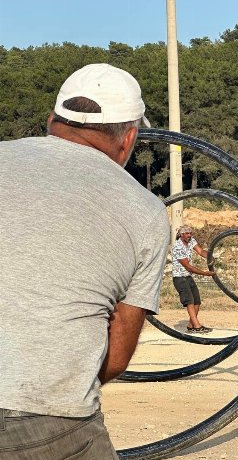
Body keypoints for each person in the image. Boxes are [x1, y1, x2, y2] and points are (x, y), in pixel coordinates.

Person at [0, 63, 170, 459]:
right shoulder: (144, 211)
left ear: (51, 121)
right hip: (47, 416)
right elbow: (116, 356)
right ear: (129, 139)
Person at [172, 225, 215, 333]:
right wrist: (205, 273)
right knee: (189, 301)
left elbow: (200, 251)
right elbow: (188, 266)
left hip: (188, 276)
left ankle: (191, 325)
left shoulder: (191, 241)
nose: (189, 235)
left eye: (190, 233)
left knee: (197, 301)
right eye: (187, 234)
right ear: (181, 235)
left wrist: (210, 257)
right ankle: (197, 326)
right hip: (180, 277)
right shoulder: (178, 247)